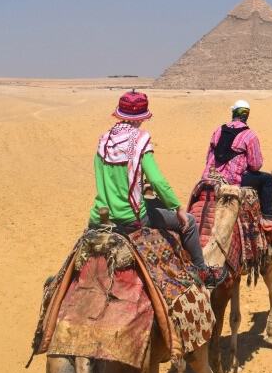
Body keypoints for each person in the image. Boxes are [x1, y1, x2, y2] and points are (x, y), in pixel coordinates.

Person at [90, 90, 225, 288]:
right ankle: (202, 271)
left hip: (98, 218)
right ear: (142, 117)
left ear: (120, 113)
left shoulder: (104, 140)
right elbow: (156, 181)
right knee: (188, 222)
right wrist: (177, 207)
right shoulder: (140, 140)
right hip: (130, 218)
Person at [201, 99, 272, 227]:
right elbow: (255, 165)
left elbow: (208, 156)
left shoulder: (218, 130)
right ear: (246, 115)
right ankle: (268, 219)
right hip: (233, 180)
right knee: (267, 179)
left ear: (233, 113)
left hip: (209, 176)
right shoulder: (250, 135)